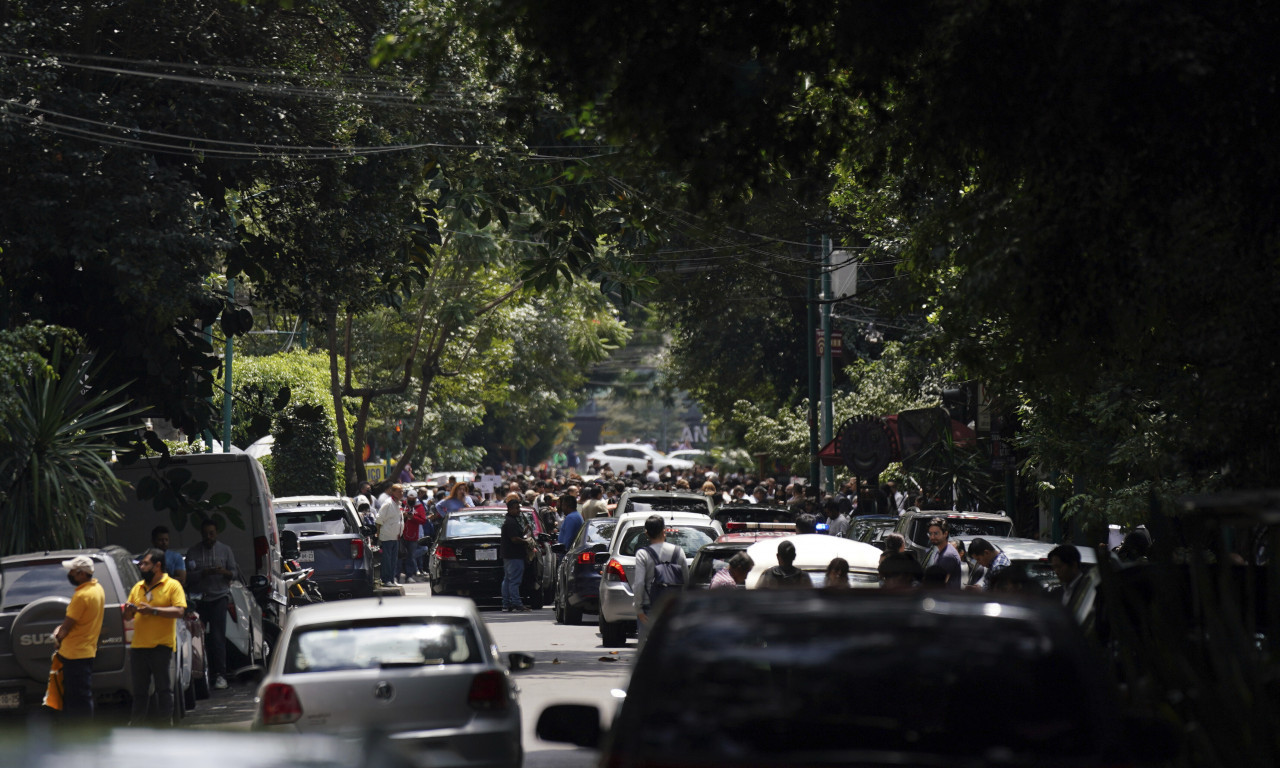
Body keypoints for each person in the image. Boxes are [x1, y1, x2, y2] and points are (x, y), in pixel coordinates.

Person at [123, 548, 187, 725]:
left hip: (161, 646)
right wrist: (128, 612)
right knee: (140, 691)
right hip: (139, 647)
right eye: (141, 563)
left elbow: (180, 611)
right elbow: (128, 617)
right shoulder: (138, 587)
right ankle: (137, 727)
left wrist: (154, 611)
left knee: (163, 689)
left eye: (145, 563)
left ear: (157, 566)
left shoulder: (172, 586)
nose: (141, 566)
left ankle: (165, 725)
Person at [185, 519, 238, 690]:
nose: (209, 537)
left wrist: (224, 572)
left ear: (216, 533)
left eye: (212, 533)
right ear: (201, 534)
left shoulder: (225, 550)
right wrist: (203, 573)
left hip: (219, 598)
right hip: (200, 599)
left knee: (217, 637)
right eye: (206, 534)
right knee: (198, 638)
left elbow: (234, 574)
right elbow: (188, 577)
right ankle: (201, 674)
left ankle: (221, 675)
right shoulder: (193, 552)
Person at [52, 555, 104, 718]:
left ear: (82, 574)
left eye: (73, 572)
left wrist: (57, 637)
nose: (70, 574)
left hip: (74, 654)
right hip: (86, 651)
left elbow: (67, 626)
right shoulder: (98, 589)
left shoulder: (81, 596)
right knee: (82, 695)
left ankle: (81, 734)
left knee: (77, 699)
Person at [631, 515, 688, 646]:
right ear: (665, 530)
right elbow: (686, 581)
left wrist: (638, 610)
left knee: (648, 651)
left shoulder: (642, 554)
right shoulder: (678, 552)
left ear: (646, 533)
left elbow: (639, 583)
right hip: (672, 609)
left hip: (649, 608)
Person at [501, 498, 531, 612]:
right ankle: (516, 603)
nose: (519, 510)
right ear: (510, 509)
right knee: (514, 581)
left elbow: (516, 535)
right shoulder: (510, 522)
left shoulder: (512, 520)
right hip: (514, 555)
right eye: (516, 508)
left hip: (509, 555)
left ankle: (506, 604)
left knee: (508, 579)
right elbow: (514, 539)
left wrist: (525, 531)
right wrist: (527, 541)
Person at [376, 484, 405, 587]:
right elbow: (379, 519)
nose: (401, 494)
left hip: (396, 536)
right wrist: (378, 534)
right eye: (398, 491)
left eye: (402, 491)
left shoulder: (398, 504)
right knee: (387, 560)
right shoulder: (388, 503)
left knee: (393, 559)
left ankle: (392, 579)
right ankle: (386, 580)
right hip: (387, 536)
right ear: (392, 492)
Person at [922, 517, 961, 589]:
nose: (932, 537)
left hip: (946, 598)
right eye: (930, 534)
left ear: (945, 533)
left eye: (936, 533)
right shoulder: (940, 552)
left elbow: (938, 584)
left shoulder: (948, 556)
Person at [1049, 544, 1088, 609]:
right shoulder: (1057, 593)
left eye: (1059, 567)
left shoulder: (1088, 588)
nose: (1056, 571)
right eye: (1054, 567)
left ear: (1073, 565)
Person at [400, 489, 425, 583]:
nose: (410, 500)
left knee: (411, 556)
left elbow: (423, 520)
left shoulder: (419, 507)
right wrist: (404, 515)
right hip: (401, 534)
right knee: (400, 555)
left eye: (412, 499)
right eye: (409, 498)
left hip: (413, 535)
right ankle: (396, 575)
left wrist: (412, 517)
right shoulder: (402, 505)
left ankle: (409, 575)